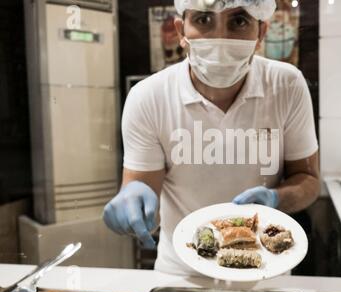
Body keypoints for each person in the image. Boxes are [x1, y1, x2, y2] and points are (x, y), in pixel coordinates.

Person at [103, 0, 320, 276]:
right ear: (181, 30)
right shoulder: (149, 97)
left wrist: (278, 198)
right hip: (181, 276)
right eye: (204, 20)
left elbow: (309, 180)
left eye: (239, 21)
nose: (220, 37)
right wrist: (135, 203)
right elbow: (145, 200)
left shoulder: (285, 85)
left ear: (261, 33)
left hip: (264, 271)